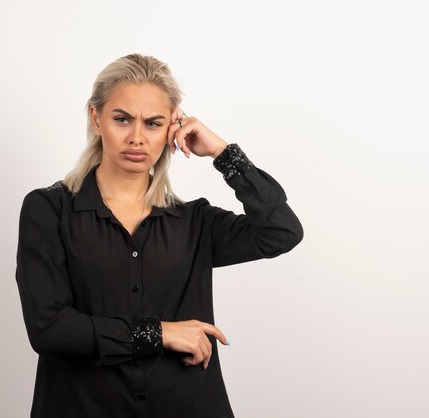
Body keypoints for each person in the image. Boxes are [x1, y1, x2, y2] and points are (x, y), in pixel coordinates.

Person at [15, 53, 304, 418]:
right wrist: (159, 333)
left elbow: (282, 232)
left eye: (153, 123)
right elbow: (48, 329)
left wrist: (221, 152)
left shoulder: (194, 221)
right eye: (122, 119)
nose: (137, 138)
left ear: (172, 127)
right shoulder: (49, 211)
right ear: (96, 118)